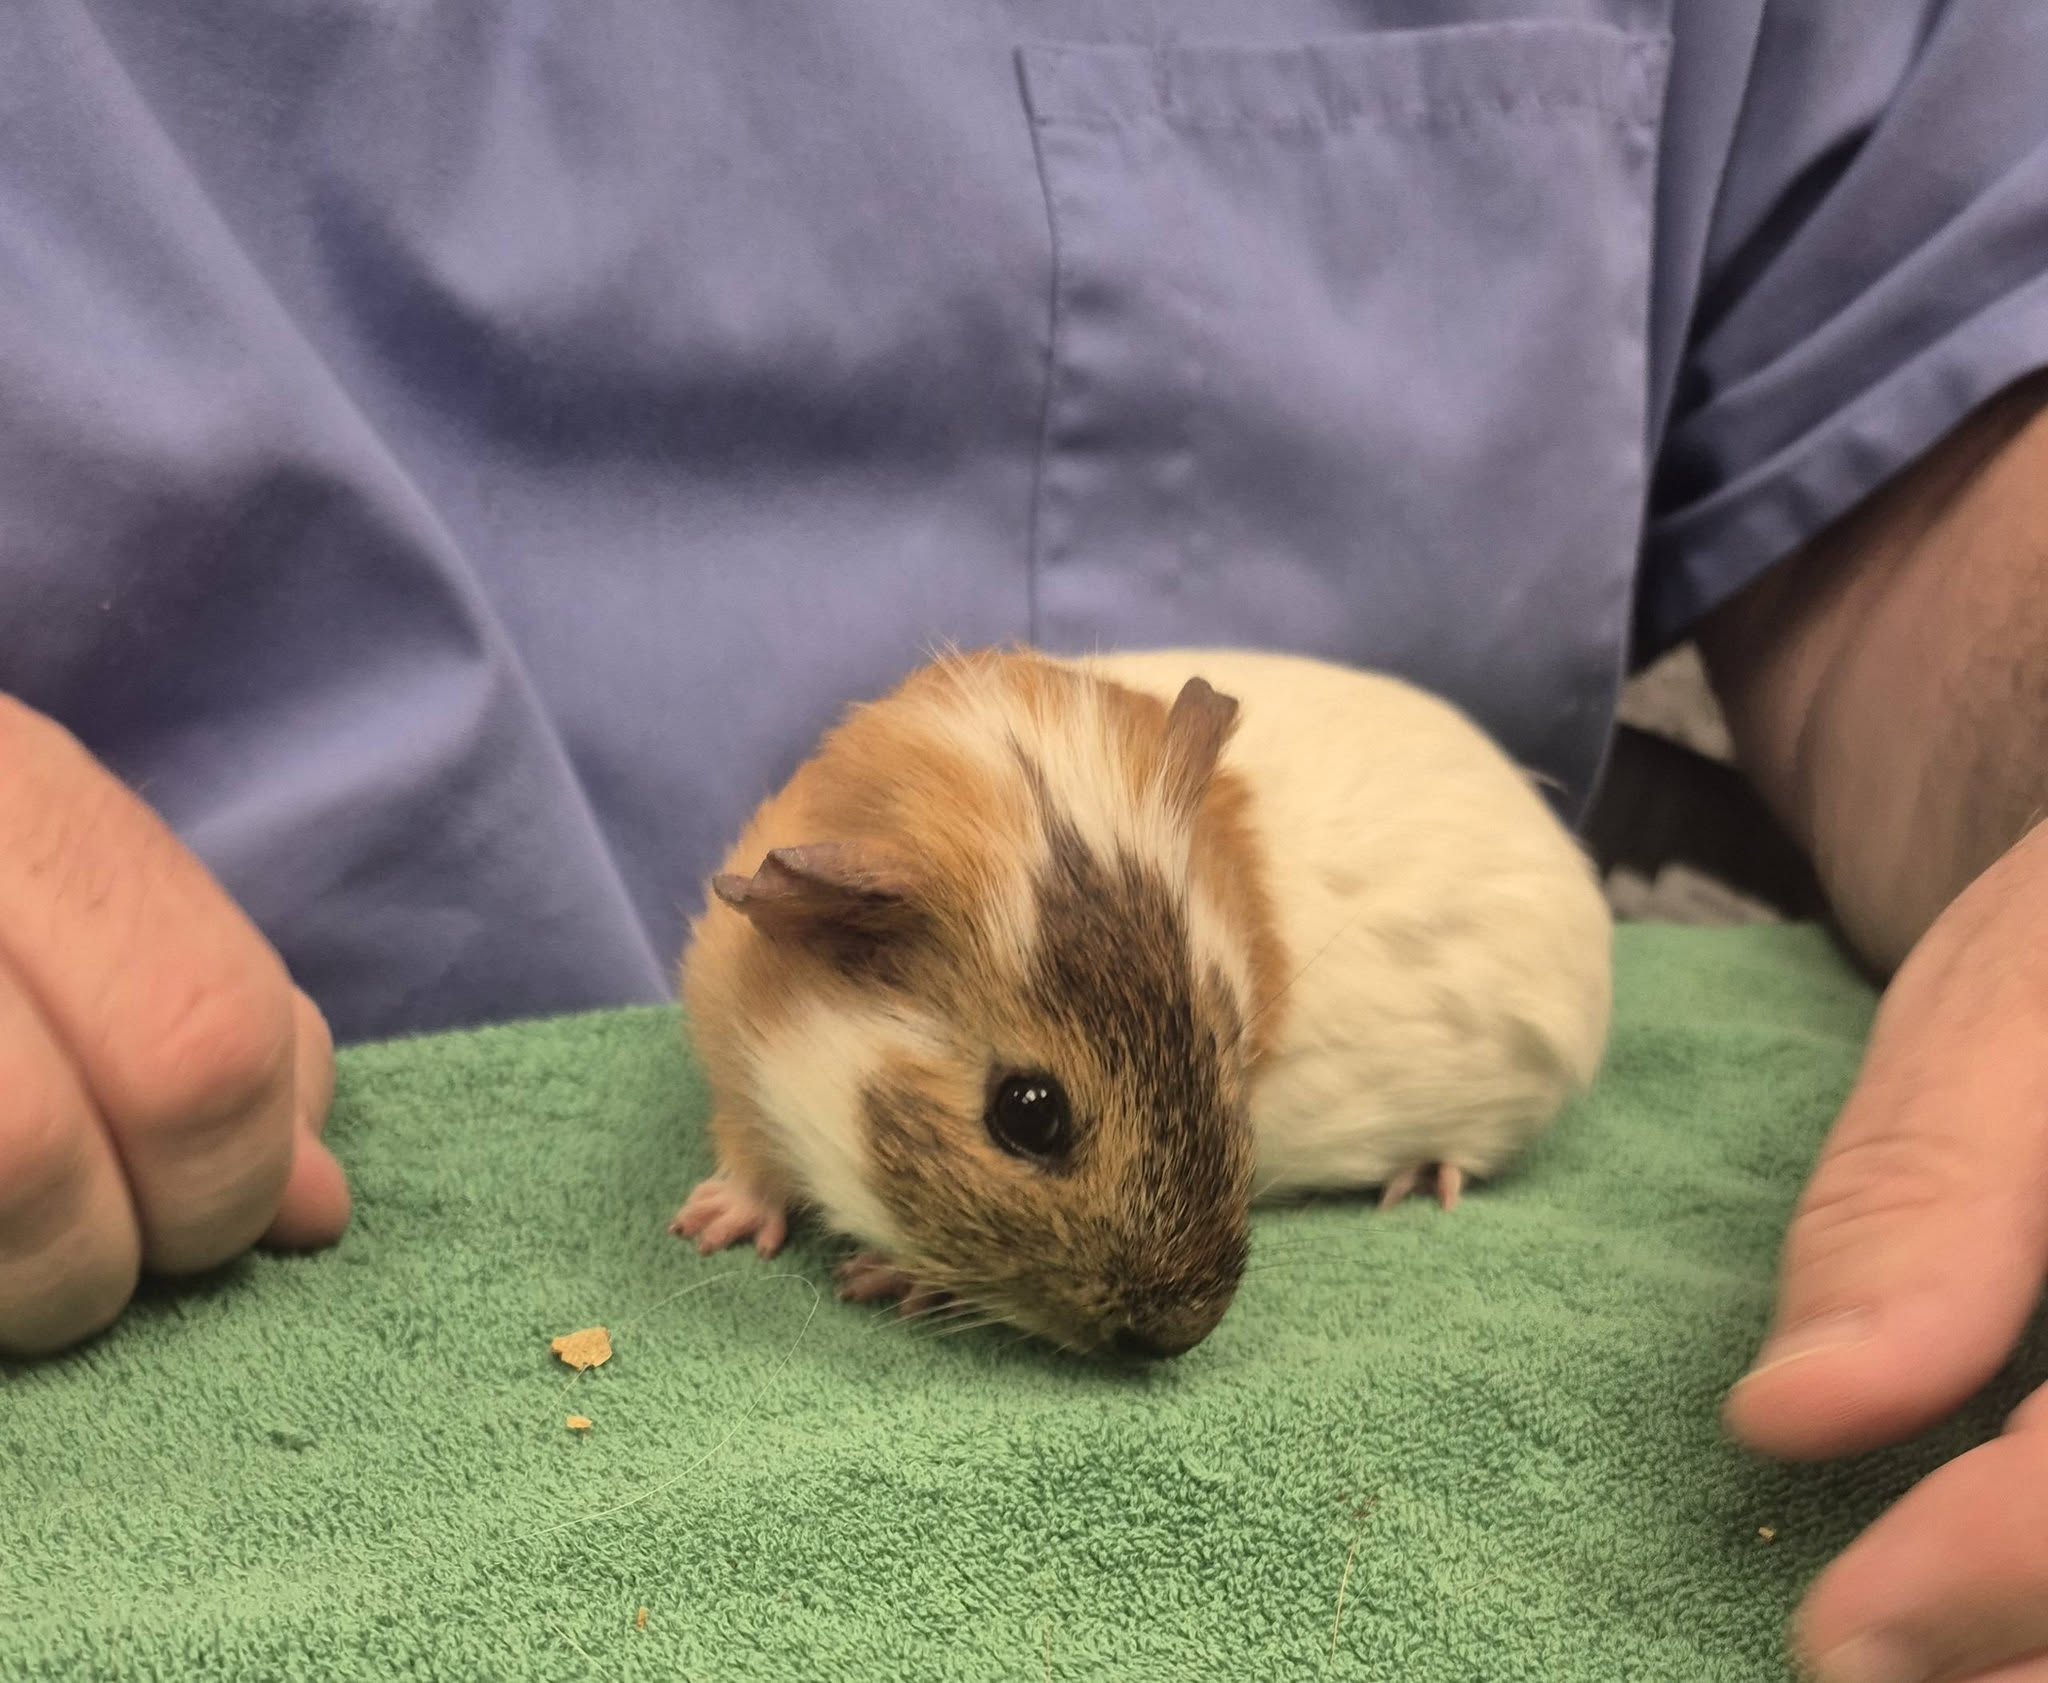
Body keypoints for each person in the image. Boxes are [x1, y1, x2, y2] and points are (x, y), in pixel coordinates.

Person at [1, 3, 2043, 1676]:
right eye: (1036, 1115)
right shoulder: (808, 932)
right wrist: (764, 1163)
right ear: (813, 926)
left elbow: (1932, 383)